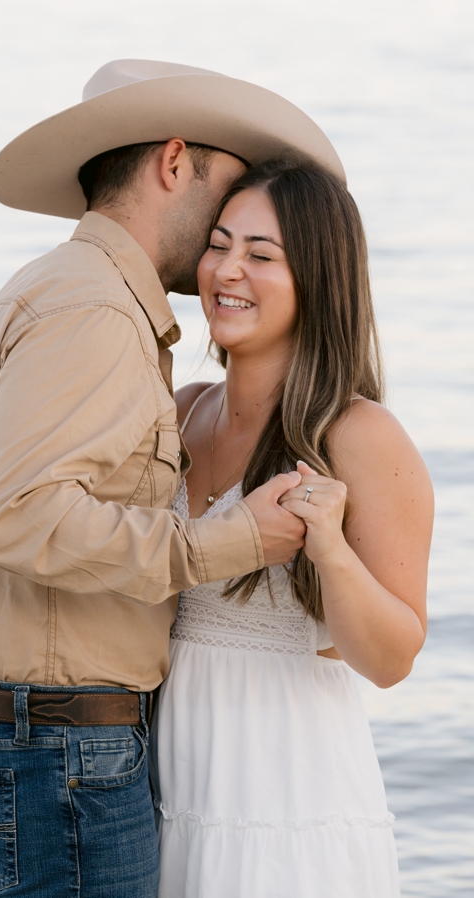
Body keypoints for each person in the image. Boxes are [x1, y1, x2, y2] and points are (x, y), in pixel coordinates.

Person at [0, 60, 343, 897]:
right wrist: (238, 540)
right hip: (53, 748)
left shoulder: (54, 289)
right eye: (224, 202)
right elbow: (18, 517)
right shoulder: (96, 312)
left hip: (22, 732)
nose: (227, 239)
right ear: (174, 163)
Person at [153, 160, 430, 897]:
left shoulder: (361, 434)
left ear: (317, 278)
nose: (226, 270)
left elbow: (392, 658)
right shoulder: (180, 411)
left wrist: (330, 549)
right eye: (218, 244)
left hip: (287, 796)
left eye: (261, 255)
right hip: (168, 786)